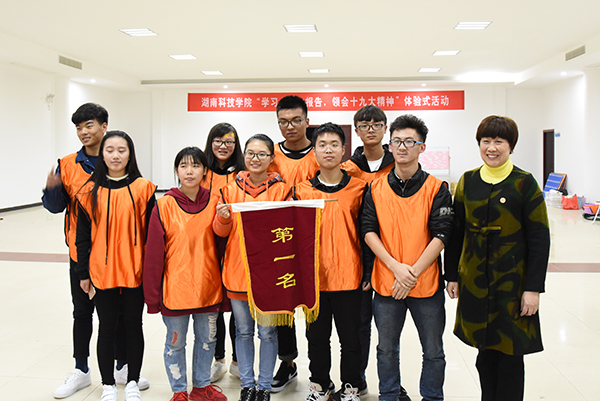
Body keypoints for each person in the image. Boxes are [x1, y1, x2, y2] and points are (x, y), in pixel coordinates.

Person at [42, 103, 149, 399]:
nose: (83, 132)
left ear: (104, 126)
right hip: (83, 255)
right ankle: (81, 369)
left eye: (89, 125)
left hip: (121, 259)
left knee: (118, 317)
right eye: (78, 127)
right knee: (82, 313)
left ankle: (121, 366)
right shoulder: (67, 164)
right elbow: (56, 207)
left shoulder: (123, 167)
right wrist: (52, 190)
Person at [444, 116, 550, 401]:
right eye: (486, 141)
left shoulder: (524, 183)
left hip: (513, 286)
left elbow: (540, 239)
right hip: (476, 284)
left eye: (499, 142)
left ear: (510, 146)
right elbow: (456, 232)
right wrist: (451, 275)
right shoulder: (468, 181)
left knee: (511, 355)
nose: (491, 148)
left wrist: (533, 289)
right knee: (485, 353)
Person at [361, 115, 453, 401]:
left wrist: (410, 274)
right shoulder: (375, 188)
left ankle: (432, 397)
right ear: (389, 146)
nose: (402, 147)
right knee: (386, 349)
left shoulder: (437, 188)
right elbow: (368, 231)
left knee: (433, 351)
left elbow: (442, 235)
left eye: (410, 141)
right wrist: (396, 269)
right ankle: (388, 395)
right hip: (387, 283)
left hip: (426, 285)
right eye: (397, 141)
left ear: (422, 147)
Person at [75, 131, 156, 401]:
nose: (115, 155)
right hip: (102, 272)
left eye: (122, 150)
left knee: (133, 325)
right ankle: (108, 384)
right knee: (106, 327)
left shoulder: (144, 189)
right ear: (102, 154)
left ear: (130, 154)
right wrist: (83, 273)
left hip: (135, 271)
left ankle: (132, 380)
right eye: (110, 150)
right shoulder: (89, 191)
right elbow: (82, 238)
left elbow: (153, 236)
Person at [144, 147, 227, 401]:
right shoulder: (164, 205)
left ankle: (201, 387)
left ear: (205, 171)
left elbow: (224, 249)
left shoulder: (216, 202)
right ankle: (179, 391)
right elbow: (154, 255)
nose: (189, 171)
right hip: (175, 291)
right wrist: (152, 297)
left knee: (207, 341)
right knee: (175, 343)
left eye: (195, 166)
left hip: (208, 288)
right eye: (183, 166)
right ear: (177, 171)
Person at [213, 134, 293, 401]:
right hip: (238, 272)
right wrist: (223, 219)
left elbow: (289, 231)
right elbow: (220, 232)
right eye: (250, 153)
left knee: (267, 333)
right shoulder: (229, 190)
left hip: (270, 276)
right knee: (243, 331)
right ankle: (247, 385)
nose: (255, 159)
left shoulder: (282, 191)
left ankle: (264, 386)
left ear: (271, 158)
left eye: (261, 154)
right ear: (244, 156)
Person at [295, 123, 366, 401]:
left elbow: (368, 233)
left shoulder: (359, 188)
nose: (328, 150)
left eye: (334, 144)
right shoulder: (301, 191)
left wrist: (368, 273)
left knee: (351, 339)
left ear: (343, 150)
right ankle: (320, 385)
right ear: (313, 151)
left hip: (350, 277)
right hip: (315, 280)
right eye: (322, 145)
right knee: (316, 339)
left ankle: (351, 386)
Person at [340, 105, 395, 396]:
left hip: (393, 254)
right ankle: (356, 380)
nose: (370, 129)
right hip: (357, 256)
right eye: (364, 125)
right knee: (359, 324)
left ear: (385, 128)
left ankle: (391, 385)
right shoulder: (348, 169)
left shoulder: (396, 165)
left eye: (376, 124)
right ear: (357, 131)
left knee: (389, 329)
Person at [269, 95, 319, 392]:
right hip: (279, 240)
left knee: (314, 308)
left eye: (296, 120)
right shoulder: (271, 155)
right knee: (283, 309)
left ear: (307, 121)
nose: (290, 126)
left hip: (313, 241)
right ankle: (287, 363)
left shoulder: (320, 153)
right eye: (283, 122)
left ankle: (319, 370)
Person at [201, 122, 245, 383]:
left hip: (237, 244)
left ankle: (239, 361)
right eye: (218, 140)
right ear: (211, 143)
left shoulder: (243, 173)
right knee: (214, 307)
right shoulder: (202, 171)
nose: (223, 146)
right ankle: (218, 359)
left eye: (229, 141)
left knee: (238, 306)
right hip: (207, 244)